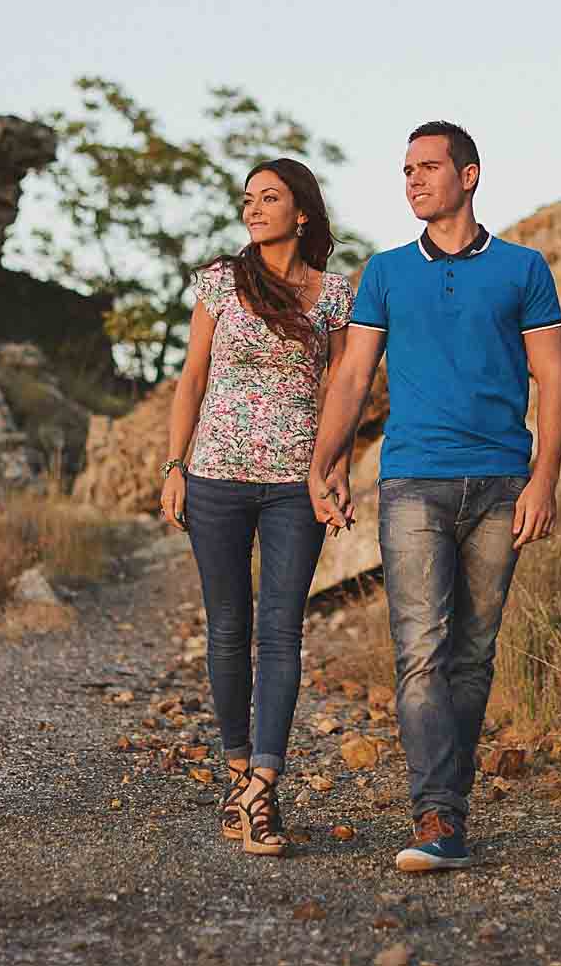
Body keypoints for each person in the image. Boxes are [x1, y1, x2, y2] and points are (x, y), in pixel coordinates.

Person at [308, 120, 561, 872]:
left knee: (473, 655)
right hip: (414, 480)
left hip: (500, 482)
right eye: (406, 169)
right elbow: (354, 376)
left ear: (471, 174)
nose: (414, 179)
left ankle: (446, 813)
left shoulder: (523, 268)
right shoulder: (385, 272)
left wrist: (545, 477)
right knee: (421, 652)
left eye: (428, 166)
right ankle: (439, 814)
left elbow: (552, 377)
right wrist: (323, 461)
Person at [160, 157, 355, 857]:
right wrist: (175, 464)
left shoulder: (334, 293)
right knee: (227, 627)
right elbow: (192, 377)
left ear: (302, 211)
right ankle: (239, 767)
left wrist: (338, 470)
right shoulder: (220, 281)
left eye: (269, 197)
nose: (254, 207)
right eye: (249, 197)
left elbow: (344, 388)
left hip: (295, 486)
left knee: (281, 629)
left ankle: (262, 789)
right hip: (214, 476)